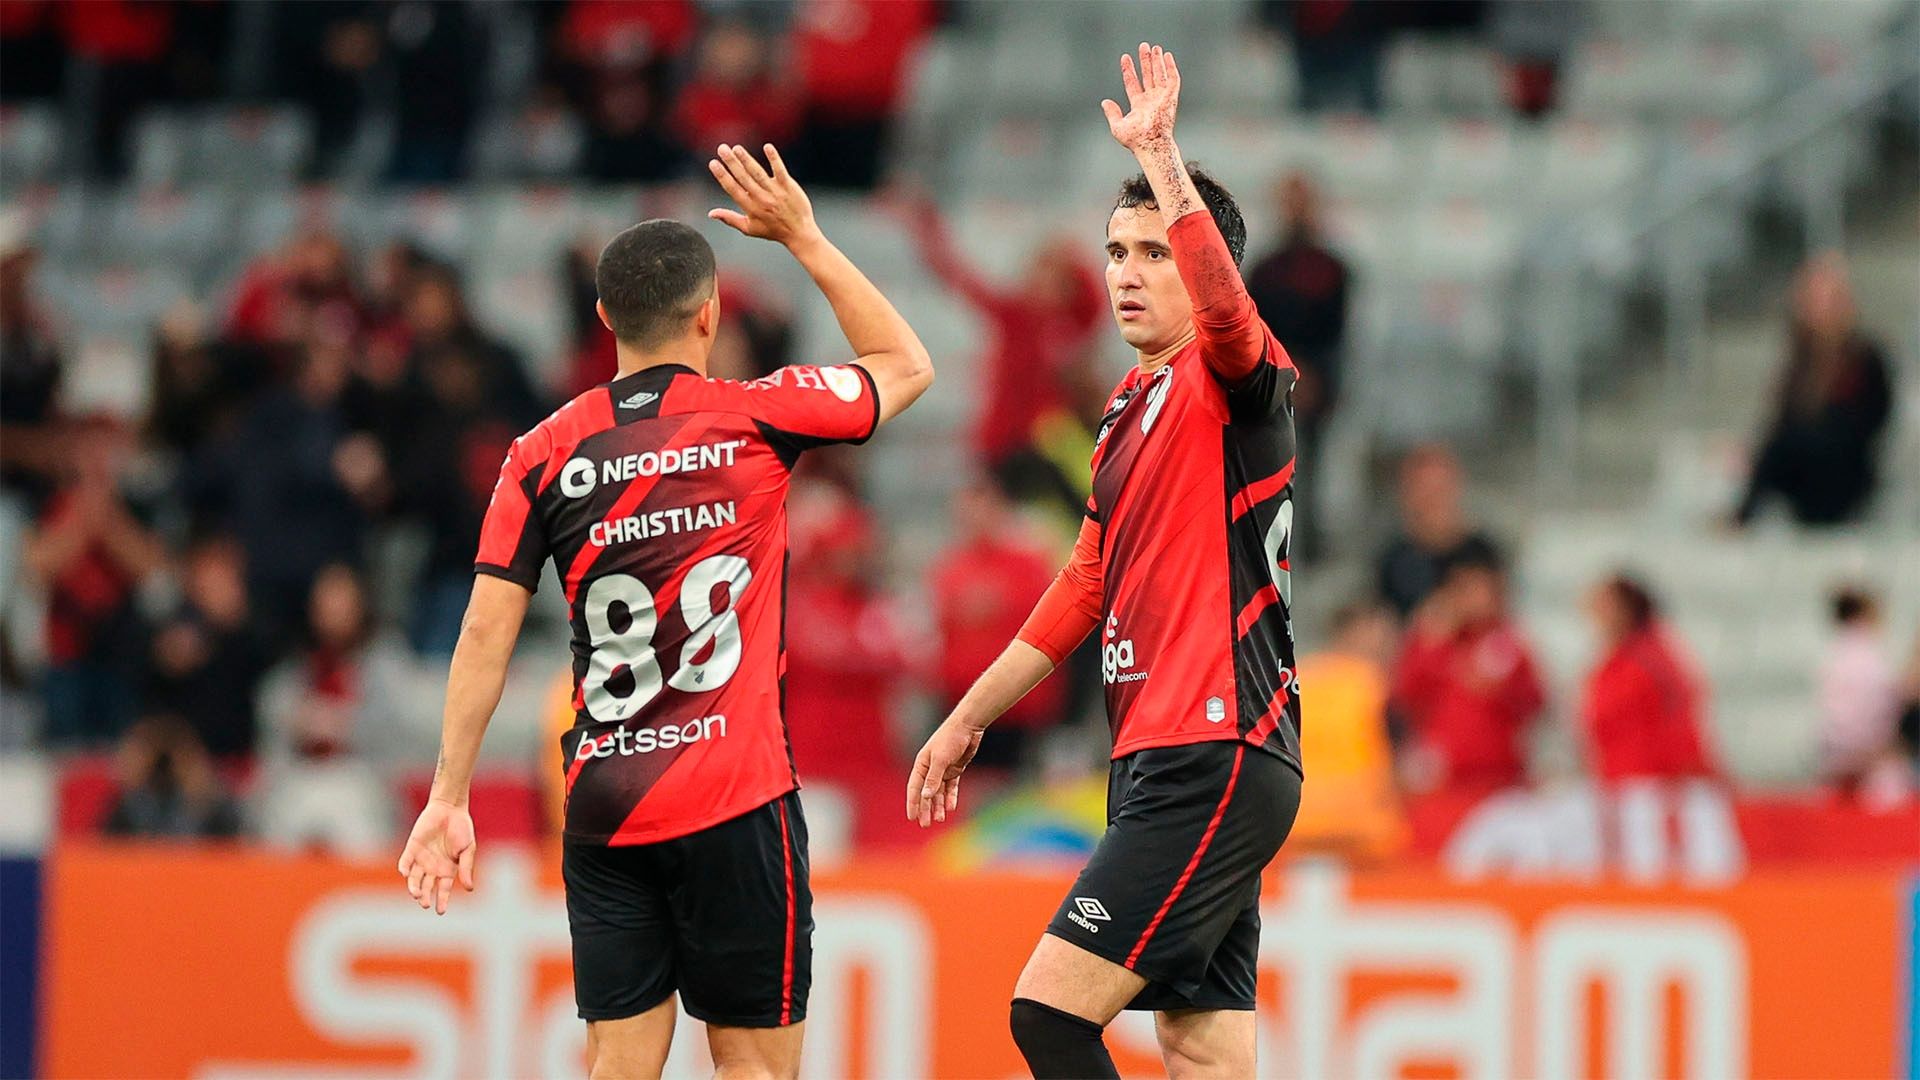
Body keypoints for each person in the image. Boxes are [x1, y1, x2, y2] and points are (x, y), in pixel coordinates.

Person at [396, 143, 932, 1079]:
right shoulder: (760, 415)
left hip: (607, 803)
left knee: (617, 1065)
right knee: (755, 1067)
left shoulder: (539, 455)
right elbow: (905, 363)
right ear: (712, 314)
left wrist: (449, 795)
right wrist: (803, 235)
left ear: (604, 318)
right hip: (737, 799)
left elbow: (484, 633)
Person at [908, 46, 1303, 1079]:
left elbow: (1224, 311)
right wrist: (965, 718)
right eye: (1115, 251)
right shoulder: (1129, 410)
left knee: (1047, 1012)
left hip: (1210, 748)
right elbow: (1082, 586)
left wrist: (1165, 158)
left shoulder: (1234, 380)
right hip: (1168, 757)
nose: (1125, 270)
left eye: (1152, 251)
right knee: (1202, 1050)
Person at [899, 193, 1105, 477]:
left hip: (1045, 441)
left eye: (1058, 278)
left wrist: (1071, 255)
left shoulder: (1069, 325)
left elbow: (1097, 305)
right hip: (1007, 442)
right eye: (1040, 272)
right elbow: (962, 280)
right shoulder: (1014, 315)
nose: (1045, 284)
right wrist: (929, 231)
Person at [1733, 254, 1894, 527]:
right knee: (1770, 452)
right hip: (1805, 469)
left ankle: (1740, 519)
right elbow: (1783, 418)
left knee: (1781, 449)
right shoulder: (1800, 360)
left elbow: (1862, 426)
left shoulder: (1864, 359)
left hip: (1845, 471)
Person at [925, 477, 1066, 771]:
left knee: (1014, 788)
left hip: (1016, 705)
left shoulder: (1027, 564)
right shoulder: (950, 567)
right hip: (961, 701)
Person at [1392, 539, 1545, 796]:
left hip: (1499, 783)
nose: (1472, 597)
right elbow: (1405, 697)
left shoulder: (1508, 642)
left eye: (1478, 587)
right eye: (1462, 588)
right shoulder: (1432, 641)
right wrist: (1433, 639)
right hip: (1442, 785)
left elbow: (1533, 703)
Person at [1291, 601, 1406, 859]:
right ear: (1352, 632)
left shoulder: (1297, 680)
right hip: (1362, 827)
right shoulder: (1376, 684)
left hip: (1298, 822)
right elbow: (1397, 754)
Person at [1579, 575, 1714, 784]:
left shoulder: (1651, 658)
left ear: (1626, 608)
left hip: (1656, 783)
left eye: (1604, 605)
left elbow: (1680, 718)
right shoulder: (1612, 662)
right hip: (1622, 781)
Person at [1375, 443, 1503, 619]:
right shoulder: (1393, 561)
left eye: (1438, 488)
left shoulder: (1483, 552)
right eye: (1423, 489)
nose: (1432, 499)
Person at [1816, 587, 1902, 793]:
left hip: (1834, 752)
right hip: (1868, 757)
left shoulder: (1831, 657)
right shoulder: (1871, 658)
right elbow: (1880, 711)